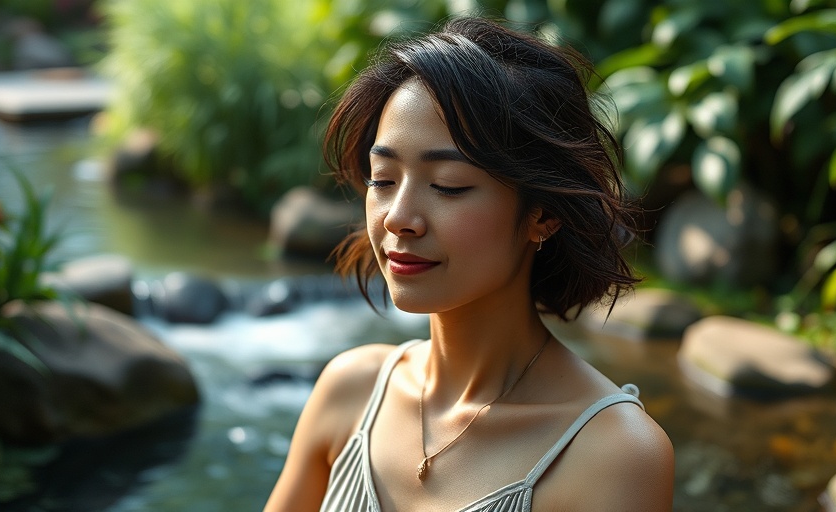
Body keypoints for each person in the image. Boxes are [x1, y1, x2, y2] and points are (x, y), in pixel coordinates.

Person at [264, 16, 674, 512]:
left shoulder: (613, 453)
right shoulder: (350, 390)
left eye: (449, 185)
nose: (398, 218)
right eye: (383, 179)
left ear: (542, 214)